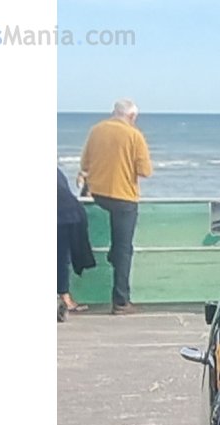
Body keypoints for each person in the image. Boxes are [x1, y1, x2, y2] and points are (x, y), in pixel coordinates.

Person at [79, 99, 153, 314]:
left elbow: (85, 164)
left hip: (97, 195)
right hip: (124, 198)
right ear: (131, 117)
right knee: (124, 249)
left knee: (117, 247)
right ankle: (121, 300)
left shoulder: (96, 130)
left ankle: (112, 256)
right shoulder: (134, 135)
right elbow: (145, 171)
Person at [57, 168, 95, 321]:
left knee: (60, 257)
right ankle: (64, 297)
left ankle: (65, 298)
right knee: (60, 257)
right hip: (69, 213)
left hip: (64, 215)